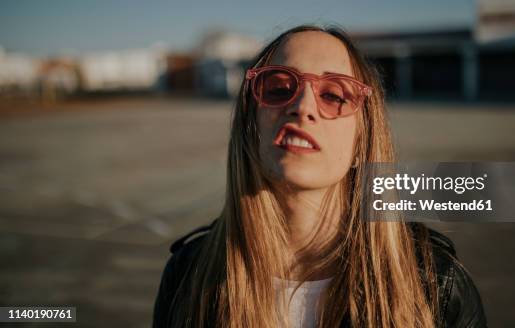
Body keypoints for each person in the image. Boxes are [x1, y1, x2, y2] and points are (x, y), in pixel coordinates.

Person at [152, 25, 487, 328]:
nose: (302, 106)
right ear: (251, 124)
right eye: (280, 87)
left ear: (362, 142)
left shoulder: (437, 286)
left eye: (334, 95)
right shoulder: (188, 275)